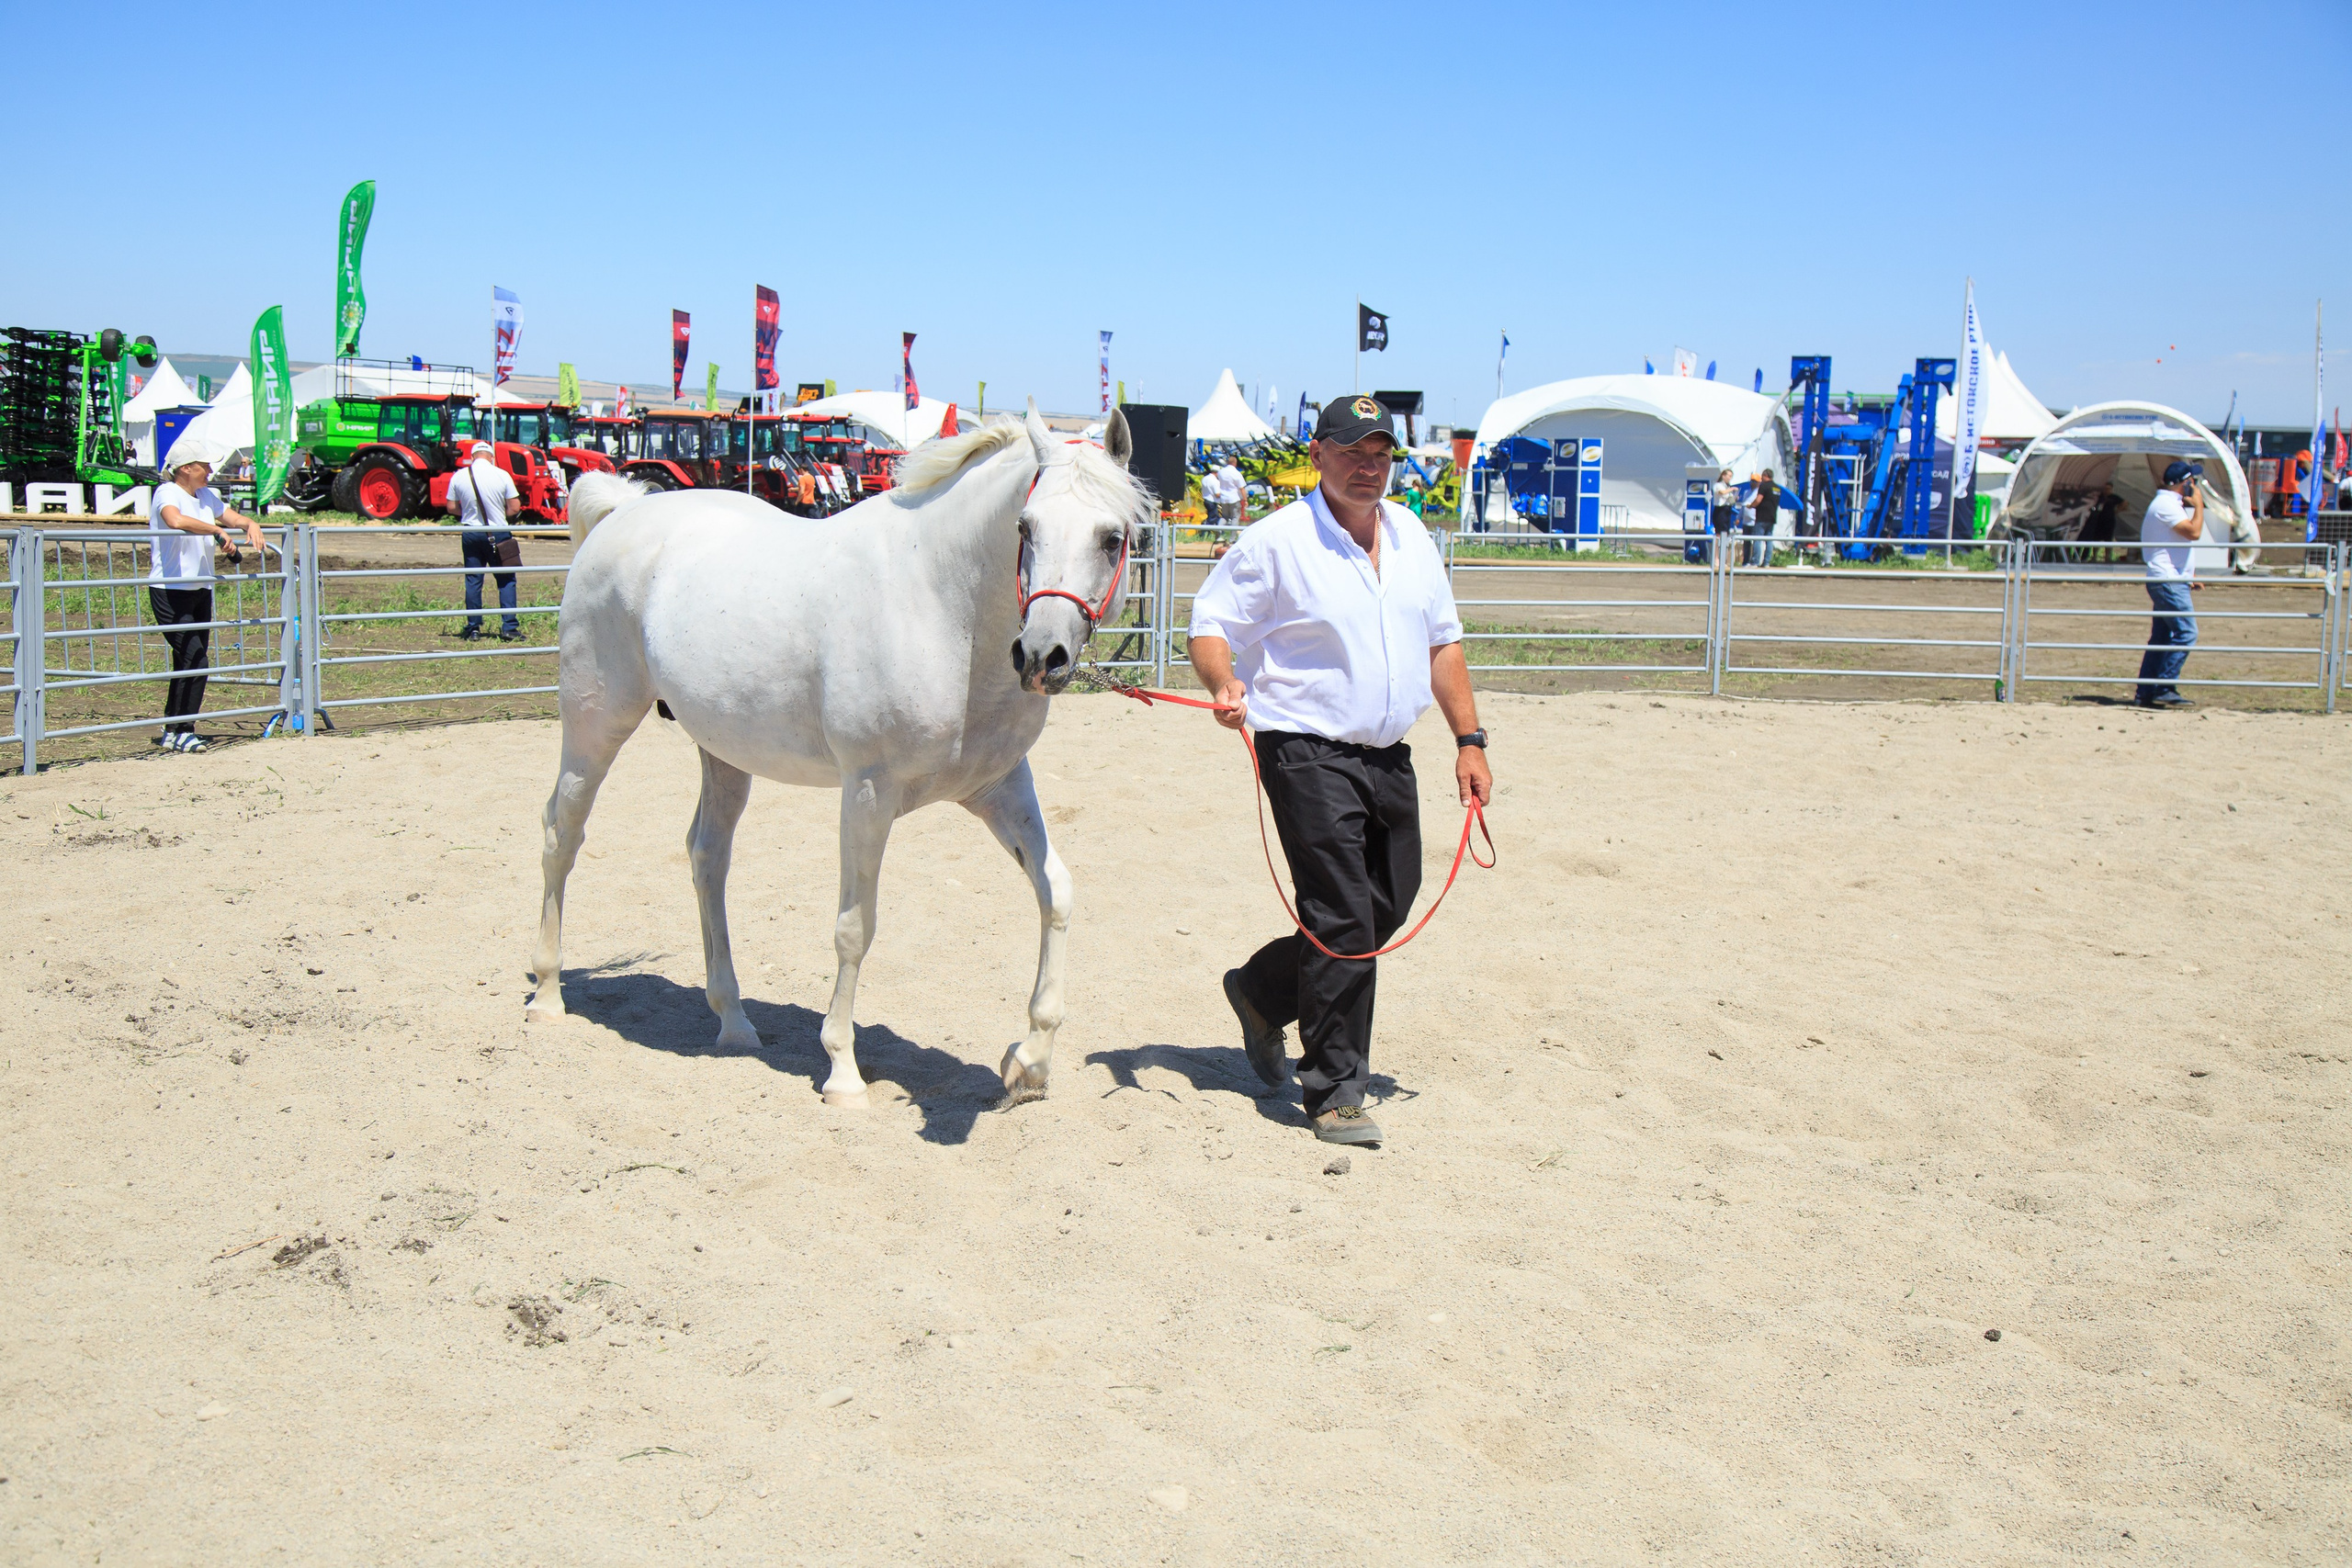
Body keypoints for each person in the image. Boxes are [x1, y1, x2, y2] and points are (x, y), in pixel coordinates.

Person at [1187, 394, 1493, 1147]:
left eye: (1380, 453)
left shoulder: (1414, 536)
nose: (1368, 466)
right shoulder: (1277, 541)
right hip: (1304, 748)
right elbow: (1210, 623)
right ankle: (1334, 1091)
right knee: (1344, 915)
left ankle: (1262, 991)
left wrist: (1469, 739)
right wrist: (1223, 683)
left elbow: (1443, 644)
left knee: (1388, 902)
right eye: (1353, 451)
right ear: (1317, 454)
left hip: (1387, 752)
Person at [148, 443, 266, 753]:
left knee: (187, 661)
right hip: (170, 591)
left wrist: (250, 523)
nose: (211, 471)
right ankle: (184, 729)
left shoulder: (206, 495)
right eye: (205, 465)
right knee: (196, 659)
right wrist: (216, 531)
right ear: (186, 468)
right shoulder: (167, 493)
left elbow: (232, 518)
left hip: (200, 590)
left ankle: (173, 730)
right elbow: (175, 521)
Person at [2135, 459, 2206, 709]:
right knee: (2187, 633)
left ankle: (2146, 691)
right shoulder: (2166, 505)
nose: (2195, 485)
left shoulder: (2168, 503)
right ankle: (2164, 686)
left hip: (2170, 578)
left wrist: (2187, 575)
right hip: (2168, 580)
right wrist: (2199, 505)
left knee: (2162, 637)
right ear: (2184, 484)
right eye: (2193, 481)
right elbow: (2193, 532)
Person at [443, 440, 522, 640]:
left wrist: (468, 513)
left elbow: (451, 507)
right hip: (498, 532)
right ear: (491, 457)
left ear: (472, 457)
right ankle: (509, 627)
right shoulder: (502, 475)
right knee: (506, 580)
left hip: (471, 532)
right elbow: (514, 507)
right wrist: (499, 515)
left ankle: (474, 628)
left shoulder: (459, 476)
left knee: (473, 580)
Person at [1747, 468, 1781, 566]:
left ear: (1766, 476)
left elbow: (1758, 500)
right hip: (1772, 517)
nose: (1761, 479)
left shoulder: (1764, 486)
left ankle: (1755, 562)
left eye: (1762, 477)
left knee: (1758, 539)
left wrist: (1751, 505)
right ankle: (1766, 562)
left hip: (1762, 516)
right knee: (1769, 540)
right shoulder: (1777, 488)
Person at [1709, 468, 1739, 565]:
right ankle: (1716, 558)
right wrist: (1731, 489)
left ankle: (1723, 559)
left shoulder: (1727, 487)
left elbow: (1729, 499)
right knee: (1719, 534)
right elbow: (1721, 492)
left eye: (1731, 476)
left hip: (1727, 510)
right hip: (1720, 511)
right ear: (1723, 476)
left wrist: (1734, 497)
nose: (1730, 478)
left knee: (1725, 534)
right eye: (1729, 476)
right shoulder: (1718, 485)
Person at [1213, 455, 1246, 526]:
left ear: (1228, 462)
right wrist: (1245, 500)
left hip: (1223, 498)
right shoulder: (1237, 473)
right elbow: (1242, 488)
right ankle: (1233, 534)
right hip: (1234, 498)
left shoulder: (1221, 472)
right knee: (1235, 517)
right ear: (1235, 463)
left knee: (1224, 517)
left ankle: (1218, 531)